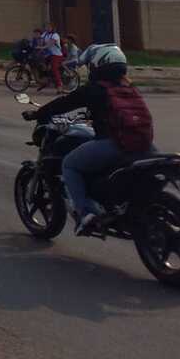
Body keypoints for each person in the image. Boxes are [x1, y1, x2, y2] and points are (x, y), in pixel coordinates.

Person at [26, 44, 155, 235]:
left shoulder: (96, 89)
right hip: (145, 145)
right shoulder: (129, 87)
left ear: (98, 65)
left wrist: (37, 113)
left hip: (115, 144)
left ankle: (86, 214)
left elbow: (64, 103)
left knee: (70, 165)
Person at [42, 23, 65, 91]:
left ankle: (59, 85)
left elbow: (50, 44)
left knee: (54, 69)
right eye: (47, 27)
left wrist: (42, 47)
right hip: (49, 54)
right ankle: (46, 79)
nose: (48, 28)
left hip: (57, 55)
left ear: (52, 28)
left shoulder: (55, 35)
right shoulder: (45, 34)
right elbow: (40, 40)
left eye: (49, 27)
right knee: (40, 63)